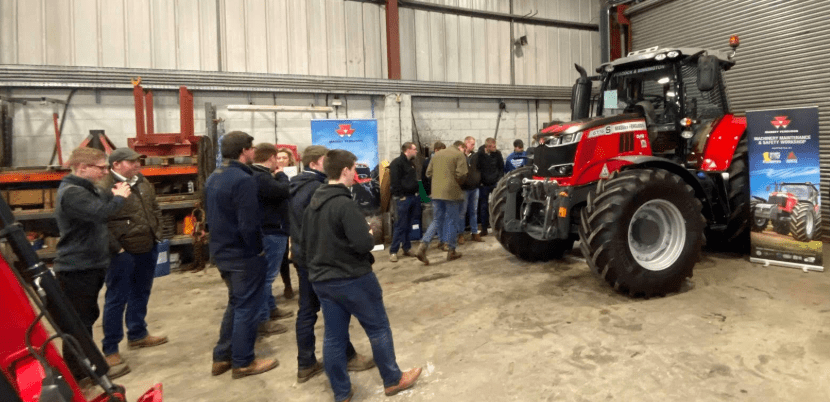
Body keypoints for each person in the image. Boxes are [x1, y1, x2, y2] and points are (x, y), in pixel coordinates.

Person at [299, 149, 421, 402]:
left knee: (334, 337)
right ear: (345, 170)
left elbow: (306, 243)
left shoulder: (313, 204)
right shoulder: (344, 204)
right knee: (378, 328)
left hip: (322, 280)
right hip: (352, 278)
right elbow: (363, 244)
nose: (355, 173)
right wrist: (368, 232)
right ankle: (393, 379)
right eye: (354, 168)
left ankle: (341, 392)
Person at [289, 145, 374, 384]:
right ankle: (343, 360)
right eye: (325, 160)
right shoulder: (317, 190)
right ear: (315, 163)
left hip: (303, 254)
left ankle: (306, 362)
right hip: (319, 258)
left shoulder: (295, 185)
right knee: (334, 310)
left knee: (309, 310)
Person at [54, 147, 131, 383]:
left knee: (85, 319)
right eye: (101, 168)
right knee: (78, 323)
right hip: (77, 268)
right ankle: (81, 374)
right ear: (82, 168)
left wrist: (113, 190)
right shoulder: (72, 193)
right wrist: (119, 197)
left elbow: (100, 199)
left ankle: (86, 369)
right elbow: (100, 212)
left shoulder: (86, 189)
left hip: (90, 265)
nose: (105, 172)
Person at [206, 131, 278, 379]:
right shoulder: (243, 180)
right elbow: (248, 224)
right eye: (251, 147)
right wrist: (257, 250)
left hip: (222, 251)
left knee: (236, 303)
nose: (254, 151)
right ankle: (243, 362)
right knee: (248, 307)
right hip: (242, 254)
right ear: (245, 151)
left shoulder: (215, 176)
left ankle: (222, 356)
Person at [99, 148, 168, 379]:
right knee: (116, 298)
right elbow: (100, 222)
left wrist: (157, 231)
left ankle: (138, 334)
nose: (137, 165)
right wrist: (116, 248)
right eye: (131, 162)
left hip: (147, 244)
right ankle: (110, 349)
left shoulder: (142, 181)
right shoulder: (104, 187)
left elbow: (154, 207)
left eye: (138, 161)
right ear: (116, 165)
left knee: (142, 291)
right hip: (123, 252)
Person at [250, 143, 294, 335]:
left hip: (270, 230)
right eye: (277, 158)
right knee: (266, 277)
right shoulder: (262, 178)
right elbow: (284, 191)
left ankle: (271, 308)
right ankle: (263, 320)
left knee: (267, 276)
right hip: (272, 231)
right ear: (271, 158)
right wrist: (282, 175)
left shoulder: (259, 176)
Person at [415, 141, 468, 265]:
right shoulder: (459, 155)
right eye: (464, 149)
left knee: (437, 220)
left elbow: (428, 173)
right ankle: (451, 250)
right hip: (451, 192)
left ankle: (422, 246)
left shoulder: (437, 155)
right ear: (460, 147)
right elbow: (462, 174)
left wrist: (440, 179)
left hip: (436, 193)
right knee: (452, 220)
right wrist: (455, 182)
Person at [388, 142, 420, 262]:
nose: (416, 151)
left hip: (412, 197)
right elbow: (395, 182)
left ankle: (406, 248)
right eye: (414, 149)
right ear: (408, 150)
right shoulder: (397, 163)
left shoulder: (410, 163)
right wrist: (401, 196)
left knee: (408, 224)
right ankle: (393, 251)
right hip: (403, 199)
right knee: (400, 225)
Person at [275, 148, 296, 299]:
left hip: (294, 214)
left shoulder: (296, 174)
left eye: (284, 157)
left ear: (290, 159)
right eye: (279, 158)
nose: (281, 160)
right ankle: (287, 284)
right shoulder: (273, 175)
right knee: (283, 254)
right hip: (281, 217)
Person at [477, 137, 504, 236]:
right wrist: (480, 180)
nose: (495, 148)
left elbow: (501, 167)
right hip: (484, 184)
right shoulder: (480, 155)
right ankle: (484, 228)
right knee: (483, 207)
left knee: (498, 205)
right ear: (488, 147)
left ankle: (498, 227)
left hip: (494, 183)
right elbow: (477, 168)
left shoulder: (497, 154)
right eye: (493, 146)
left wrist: (499, 180)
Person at [459, 136, 482, 243]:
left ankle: (474, 232)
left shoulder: (475, 156)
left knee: (474, 211)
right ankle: (461, 234)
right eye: (472, 144)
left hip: (474, 188)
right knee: (462, 212)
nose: (473, 146)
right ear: (466, 144)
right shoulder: (460, 156)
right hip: (464, 189)